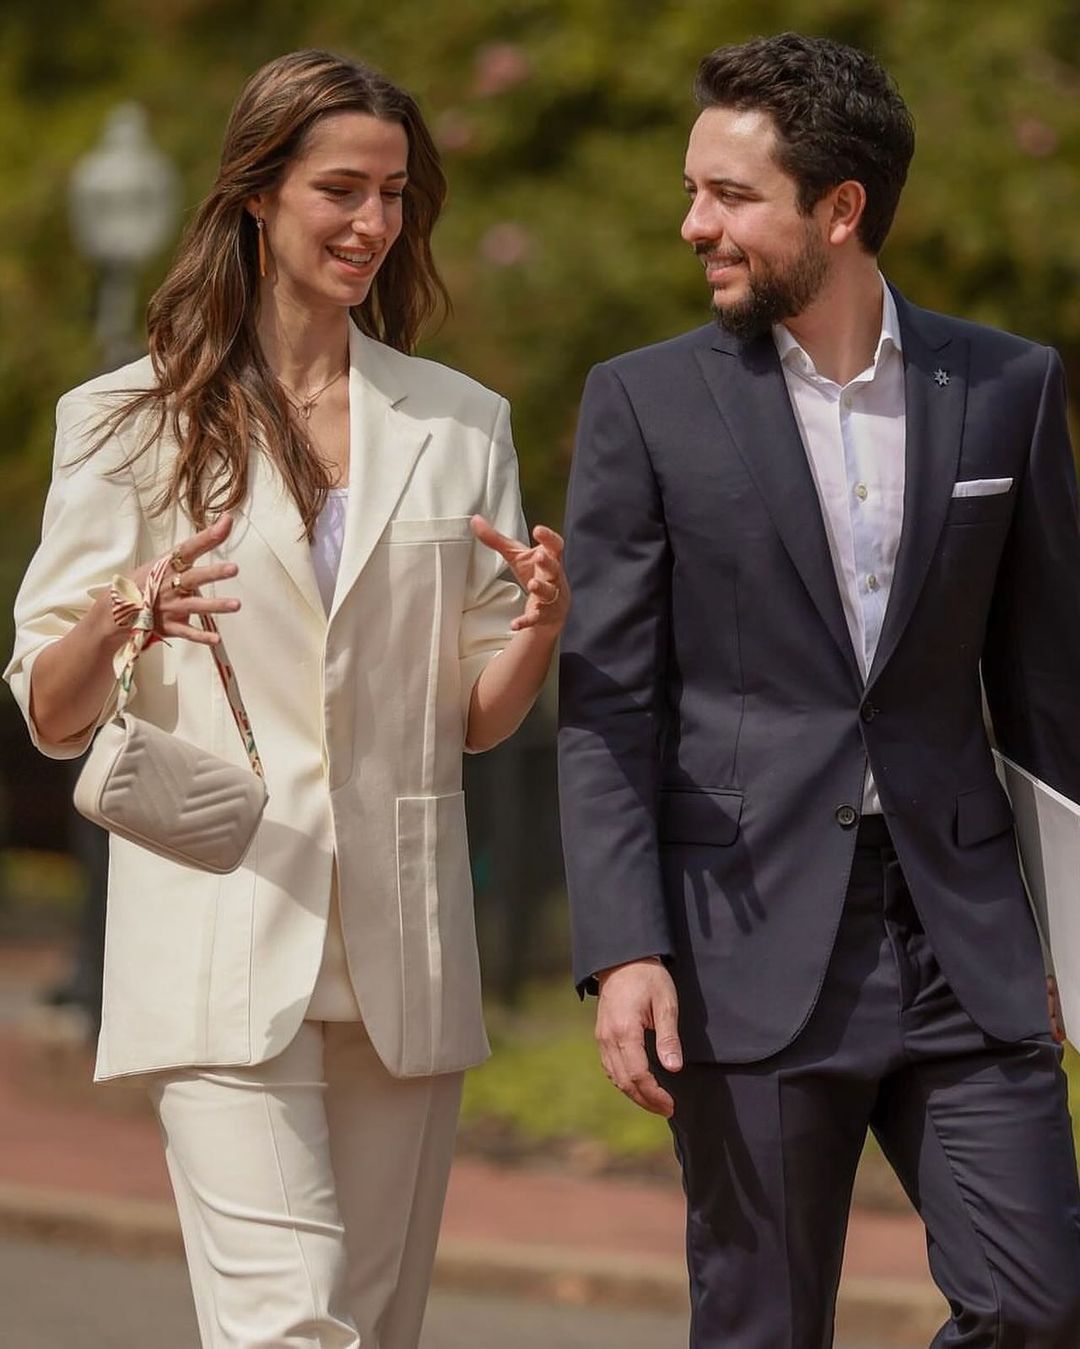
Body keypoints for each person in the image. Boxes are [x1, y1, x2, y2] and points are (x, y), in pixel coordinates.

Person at [6, 48, 568, 1349]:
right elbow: (51, 706)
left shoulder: (461, 424)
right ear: (257, 194)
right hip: (216, 924)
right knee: (287, 1331)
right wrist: (122, 612)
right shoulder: (128, 420)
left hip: (401, 955)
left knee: (374, 1327)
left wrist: (536, 632)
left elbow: (476, 713)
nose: (373, 222)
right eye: (341, 189)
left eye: (394, 193)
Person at [558, 32, 1080, 1348]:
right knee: (761, 1325)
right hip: (744, 935)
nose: (694, 224)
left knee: (1041, 1300)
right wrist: (625, 946)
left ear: (839, 209)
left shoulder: (1008, 388)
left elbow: (1050, 689)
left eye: (730, 196)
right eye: (694, 190)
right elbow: (611, 702)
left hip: (965, 936)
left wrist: (1074, 931)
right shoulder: (645, 405)